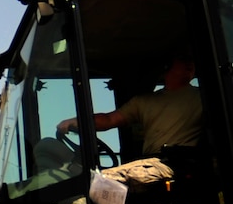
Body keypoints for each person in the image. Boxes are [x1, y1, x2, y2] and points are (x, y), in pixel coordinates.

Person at [58, 55, 202, 159]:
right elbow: (109, 120)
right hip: (153, 162)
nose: (190, 63)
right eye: (183, 59)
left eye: (191, 60)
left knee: (104, 185)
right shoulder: (144, 102)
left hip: (184, 164)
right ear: (167, 66)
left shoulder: (202, 97)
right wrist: (76, 121)